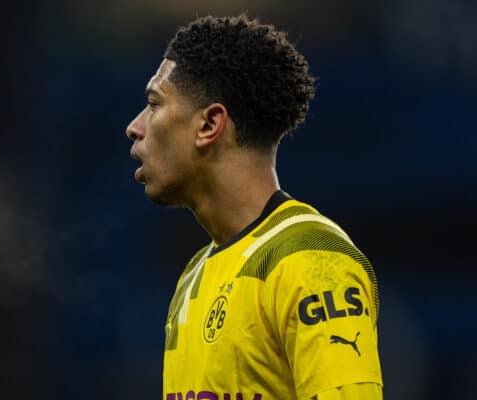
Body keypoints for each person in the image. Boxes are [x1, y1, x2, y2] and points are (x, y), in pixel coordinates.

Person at [126, 15, 383, 400]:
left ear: (209, 124)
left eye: (153, 104)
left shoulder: (313, 260)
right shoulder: (193, 276)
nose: (135, 126)